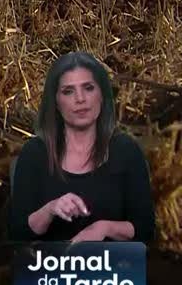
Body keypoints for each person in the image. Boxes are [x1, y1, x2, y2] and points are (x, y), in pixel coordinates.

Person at [8, 51, 155, 245]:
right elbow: (17, 232)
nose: (80, 99)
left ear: (102, 95)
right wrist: (50, 209)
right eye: (68, 91)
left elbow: (145, 228)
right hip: (49, 272)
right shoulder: (35, 153)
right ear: (56, 103)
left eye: (88, 88)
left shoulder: (126, 151)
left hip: (114, 271)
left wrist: (103, 228)